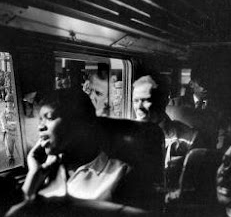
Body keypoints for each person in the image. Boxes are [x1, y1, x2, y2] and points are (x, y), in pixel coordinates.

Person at [22, 89, 161, 209]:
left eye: (49, 118)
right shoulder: (44, 171)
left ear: (80, 125)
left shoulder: (120, 174)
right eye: (40, 120)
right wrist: (33, 175)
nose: (40, 127)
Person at [132, 75, 202, 194]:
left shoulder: (189, 137)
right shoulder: (125, 134)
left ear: (163, 101)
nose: (139, 107)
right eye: (136, 100)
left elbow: (195, 186)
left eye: (146, 100)